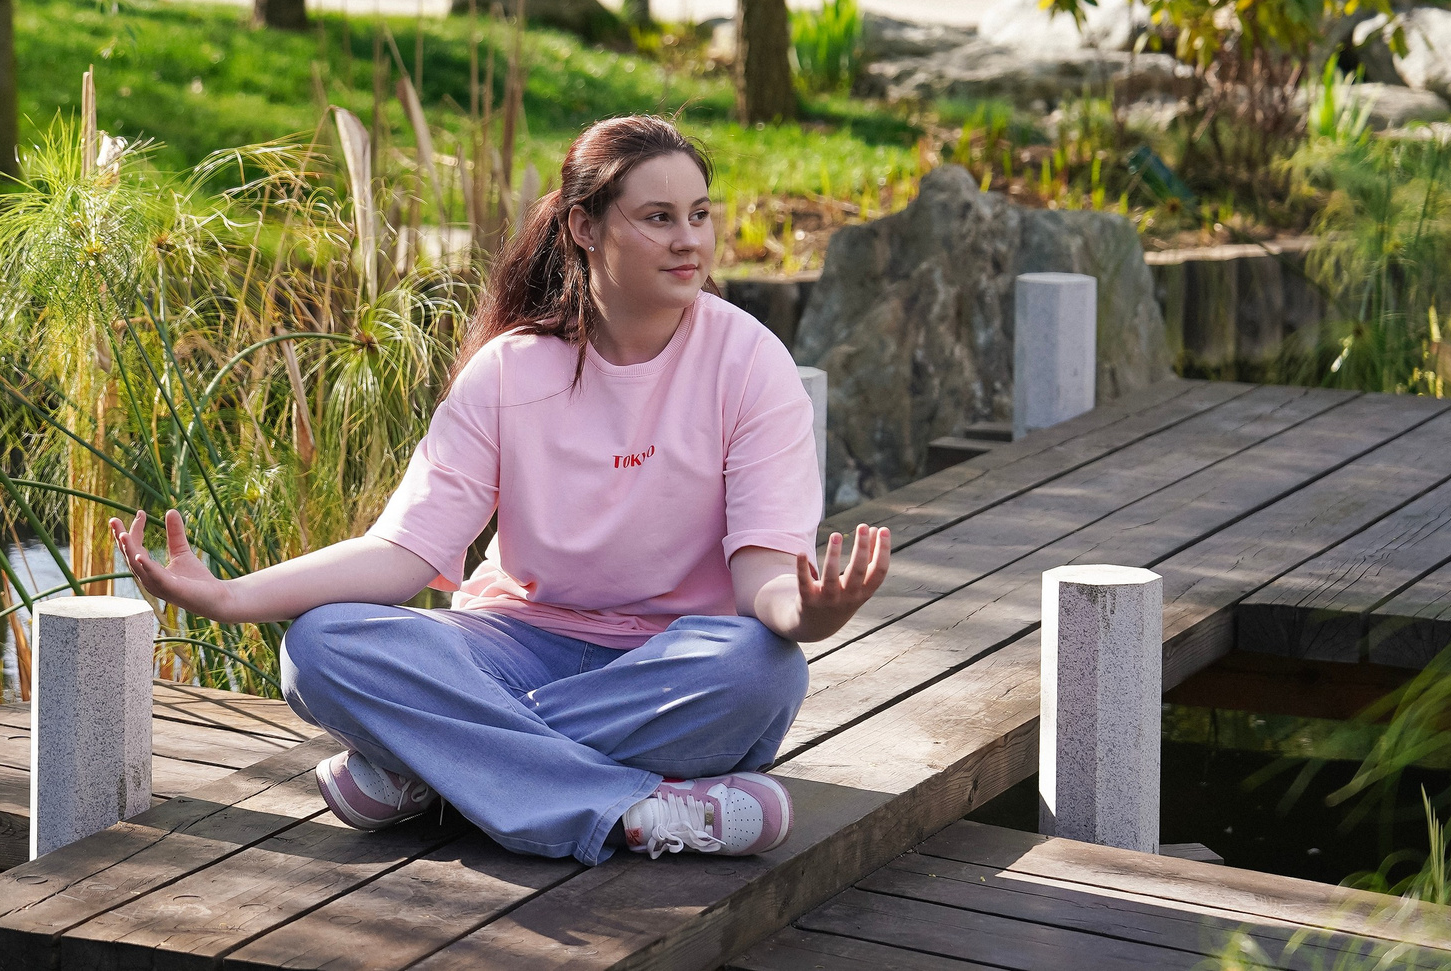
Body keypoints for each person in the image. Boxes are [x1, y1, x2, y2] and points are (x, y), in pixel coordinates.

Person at [110, 114, 890, 865]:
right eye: (658, 216)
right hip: (510, 646)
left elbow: (763, 575)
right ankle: (628, 812)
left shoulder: (750, 362)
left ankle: (432, 765)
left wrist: (806, 610)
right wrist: (233, 595)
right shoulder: (513, 369)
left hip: (669, 663)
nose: (690, 239)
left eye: (699, 213)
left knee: (764, 669)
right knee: (319, 647)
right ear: (586, 226)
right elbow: (405, 551)